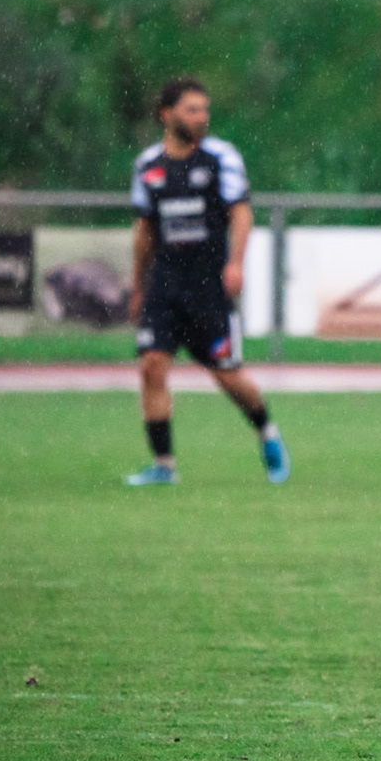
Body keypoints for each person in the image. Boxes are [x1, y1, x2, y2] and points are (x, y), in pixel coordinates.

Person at [124, 78, 289, 487]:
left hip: (208, 287)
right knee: (151, 366)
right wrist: (139, 285)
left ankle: (266, 430)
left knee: (228, 376)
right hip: (164, 284)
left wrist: (236, 262)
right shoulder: (148, 165)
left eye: (204, 110)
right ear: (166, 114)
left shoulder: (221, 158)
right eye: (191, 110)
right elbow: (144, 230)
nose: (201, 118)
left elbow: (241, 213)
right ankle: (164, 465)